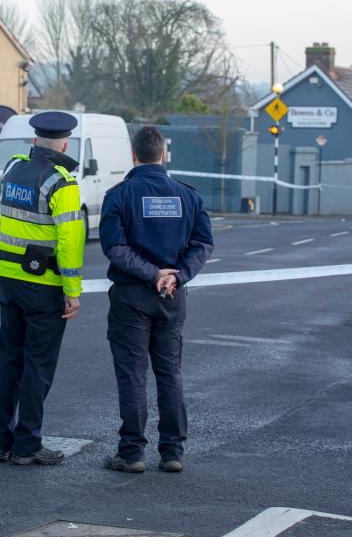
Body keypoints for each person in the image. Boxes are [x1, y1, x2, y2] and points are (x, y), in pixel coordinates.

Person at [99, 125, 213, 474]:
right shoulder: (188, 196)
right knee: (169, 373)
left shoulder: (119, 195)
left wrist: (152, 274)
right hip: (172, 297)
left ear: (133, 155)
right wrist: (175, 275)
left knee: (132, 375)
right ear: (163, 154)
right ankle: (172, 452)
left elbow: (114, 248)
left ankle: (132, 453)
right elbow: (203, 243)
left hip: (132, 296)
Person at [0, 111, 85, 466]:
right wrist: (72, 291)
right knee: (37, 366)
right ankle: (28, 444)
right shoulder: (62, 184)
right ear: (64, 144)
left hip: (9, 281)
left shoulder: (12, 170)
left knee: (9, 361)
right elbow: (70, 242)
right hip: (44, 287)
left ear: (34, 141)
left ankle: (1, 441)